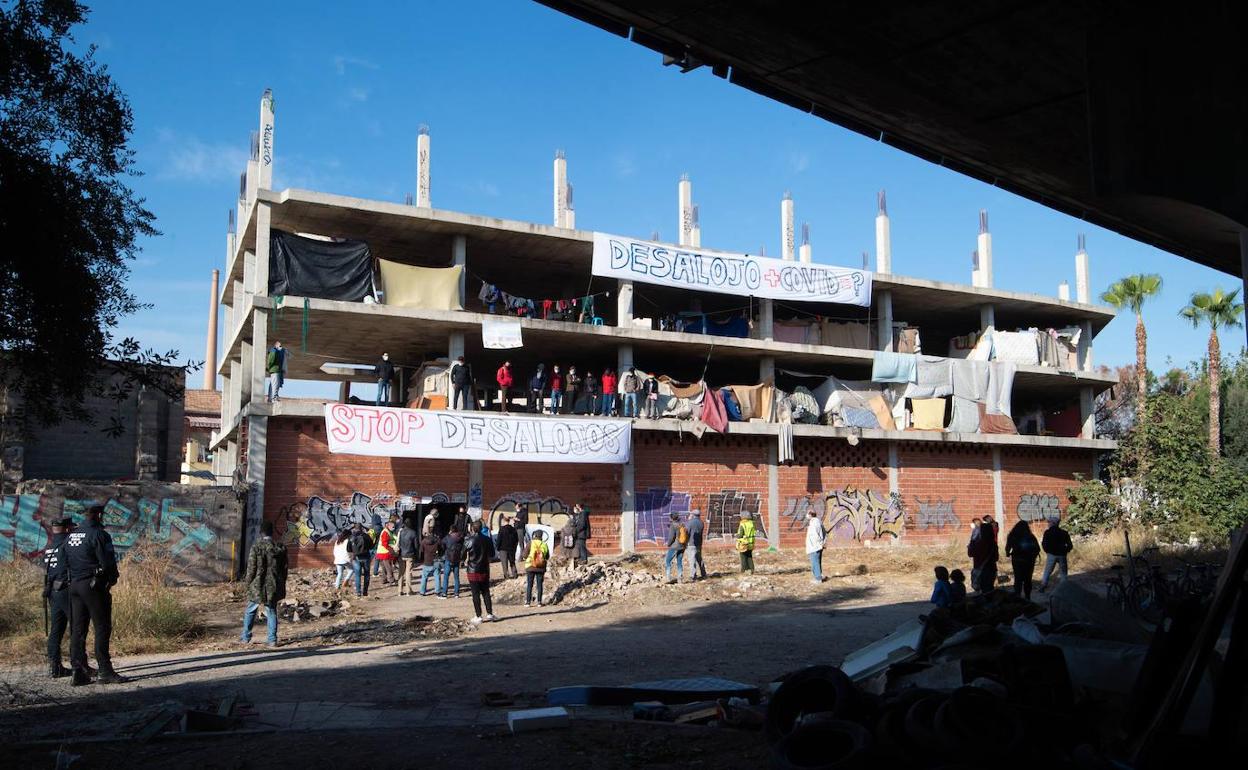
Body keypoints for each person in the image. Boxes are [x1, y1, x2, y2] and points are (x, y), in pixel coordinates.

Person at [64, 504, 123, 684]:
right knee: (102, 626)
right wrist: (112, 579)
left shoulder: (71, 535)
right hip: (93, 586)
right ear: (98, 515)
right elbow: (107, 563)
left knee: (78, 629)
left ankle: (78, 670)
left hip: (74, 585)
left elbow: (64, 561)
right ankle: (105, 670)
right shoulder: (99, 535)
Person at [240, 520, 288, 649]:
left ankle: (245, 637)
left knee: (251, 610)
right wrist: (282, 582)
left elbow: (251, 567)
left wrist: (248, 583)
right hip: (273, 584)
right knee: (271, 611)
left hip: (257, 583)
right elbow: (284, 568)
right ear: (272, 532)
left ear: (261, 532)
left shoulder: (256, 547)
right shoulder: (280, 547)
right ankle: (272, 640)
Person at [42, 516, 74, 678]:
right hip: (66, 590)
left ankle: (55, 667)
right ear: (67, 528)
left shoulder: (49, 546)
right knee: (76, 628)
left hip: (52, 592)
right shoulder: (67, 544)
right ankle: (79, 666)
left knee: (56, 629)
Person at [464, 520, 497, 623]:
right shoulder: (487, 539)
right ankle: (490, 613)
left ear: (472, 529)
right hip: (484, 569)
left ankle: (478, 616)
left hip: (472, 570)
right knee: (486, 592)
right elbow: (492, 554)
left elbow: (461, 554)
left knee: (475, 593)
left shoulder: (469, 540)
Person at [1004, 520, 1040, 600]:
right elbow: (1037, 549)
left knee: (1018, 579)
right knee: (1028, 579)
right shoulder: (1031, 536)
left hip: (1017, 560)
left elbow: (1007, 548)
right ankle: (1028, 596)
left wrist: (1008, 554)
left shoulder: (1012, 535)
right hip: (1029, 560)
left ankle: (1018, 596)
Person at [1040, 517, 1074, 592]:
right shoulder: (1064, 532)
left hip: (1051, 554)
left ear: (1053, 523)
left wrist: (1047, 551)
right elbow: (1070, 545)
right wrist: (1065, 551)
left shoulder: (1047, 532)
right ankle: (1064, 588)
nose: (1048, 524)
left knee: (1047, 571)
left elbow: (1044, 544)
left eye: (1049, 522)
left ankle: (1043, 587)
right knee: (1063, 572)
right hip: (1062, 554)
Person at [968, 520, 999, 593]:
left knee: (982, 591)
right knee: (990, 589)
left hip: (980, 569)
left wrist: (971, 542)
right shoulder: (993, 544)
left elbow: (970, 554)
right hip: (992, 569)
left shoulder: (977, 543)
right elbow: (996, 558)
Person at [524, 529, 551, 607]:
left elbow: (524, 555)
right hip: (541, 567)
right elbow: (547, 556)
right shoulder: (544, 544)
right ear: (541, 536)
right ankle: (539, 602)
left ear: (535, 535)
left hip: (530, 566)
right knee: (539, 585)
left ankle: (528, 602)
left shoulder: (530, 543)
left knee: (530, 584)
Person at [348, 523, 373, 597]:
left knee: (357, 575)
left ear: (354, 529)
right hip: (366, 557)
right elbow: (371, 546)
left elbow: (348, 549)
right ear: (362, 528)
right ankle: (365, 592)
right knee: (367, 575)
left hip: (356, 558)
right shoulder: (366, 536)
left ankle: (358, 592)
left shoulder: (351, 537)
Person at [398, 516, 419, 596]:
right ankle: (408, 591)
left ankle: (399, 591)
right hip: (410, 555)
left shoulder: (401, 532)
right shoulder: (413, 532)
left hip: (401, 554)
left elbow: (398, 543)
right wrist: (416, 554)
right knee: (408, 573)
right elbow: (416, 545)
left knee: (401, 573)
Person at [663, 513, 687, 584]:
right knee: (679, 562)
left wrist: (668, 544)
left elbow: (671, 537)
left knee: (668, 561)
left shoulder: (673, 525)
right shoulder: (681, 524)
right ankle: (680, 578)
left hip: (675, 546)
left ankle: (668, 578)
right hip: (682, 546)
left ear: (671, 518)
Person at [441, 527, 464, 598]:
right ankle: (456, 593)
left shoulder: (447, 537)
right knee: (456, 577)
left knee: (446, 576)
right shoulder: (460, 538)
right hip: (457, 558)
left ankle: (444, 593)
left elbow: (442, 544)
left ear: (450, 530)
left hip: (448, 557)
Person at [419, 530, 444, 596]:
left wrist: (421, 560)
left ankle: (422, 591)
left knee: (424, 577)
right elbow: (442, 549)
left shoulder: (423, 541)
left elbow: (421, 551)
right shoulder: (437, 541)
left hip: (427, 560)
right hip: (435, 560)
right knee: (437, 576)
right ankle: (437, 591)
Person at [806, 510, 827, 584]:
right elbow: (825, 532)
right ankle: (820, 575)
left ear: (810, 515)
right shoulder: (819, 522)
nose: (806, 515)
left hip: (814, 546)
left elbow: (815, 535)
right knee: (818, 562)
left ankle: (818, 579)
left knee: (815, 562)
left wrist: (820, 543)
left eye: (807, 514)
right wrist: (824, 542)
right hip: (818, 546)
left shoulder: (814, 523)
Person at [376, 519, 400, 586]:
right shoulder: (386, 532)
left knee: (384, 567)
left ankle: (384, 579)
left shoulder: (388, 531)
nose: (394, 528)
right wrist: (391, 550)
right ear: (388, 526)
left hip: (382, 552)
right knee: (388, 567)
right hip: (385, 552)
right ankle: (391, 580)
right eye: (393, 527)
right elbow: (385, 544)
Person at [687, 509, 707, 580]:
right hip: (699, 543)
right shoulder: (701, 522)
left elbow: (687, 532)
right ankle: (703, 573)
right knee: (699, 559)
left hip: (691, 543)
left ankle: (693, 575)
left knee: (692, 560)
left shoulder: (690, 522)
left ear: (693, 515)